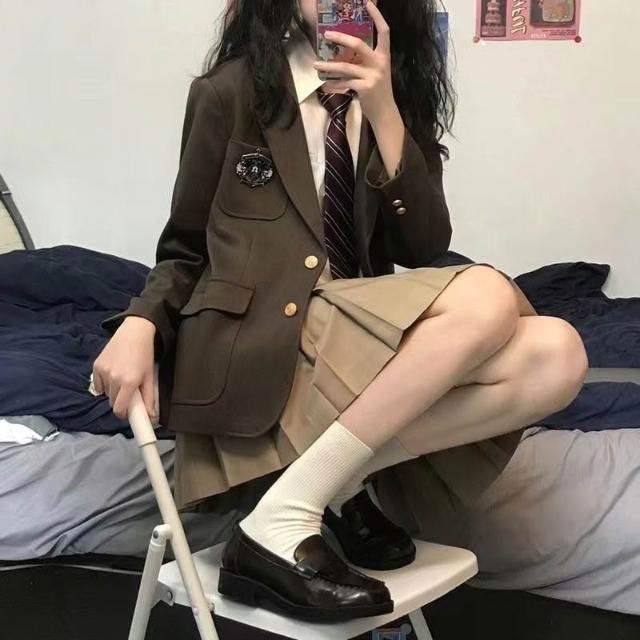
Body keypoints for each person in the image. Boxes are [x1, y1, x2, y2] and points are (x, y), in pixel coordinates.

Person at [93, 0, 588, 623]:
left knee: (558, 354)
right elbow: (186, 245)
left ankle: (311, 493)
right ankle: (307, 505)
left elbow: (423, 245)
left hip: (349, 350)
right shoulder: (230, 91)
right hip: (256, 347)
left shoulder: (392, 94)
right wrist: (140, 321)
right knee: (487, 294)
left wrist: (384, 112)